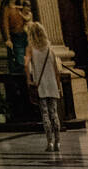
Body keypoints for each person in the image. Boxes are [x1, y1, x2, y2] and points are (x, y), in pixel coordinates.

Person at [24, 21, 61, 152]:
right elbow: (56, 70)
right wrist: (58, 86)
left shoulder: (30, 48)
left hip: (40, 85)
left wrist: (29, 79)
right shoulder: (50, 49)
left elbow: (25, 64)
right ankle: (58, 141)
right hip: (52, 84)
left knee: (45, 114)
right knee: (54, 113)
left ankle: (49, 143)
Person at [0, 0, 30, 74]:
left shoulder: (18, 8)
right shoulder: (7, 9)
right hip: (15, 37)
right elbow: (5, 24)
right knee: (20, 60)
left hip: (24, 36)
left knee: (26, 57)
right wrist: (7, 39)